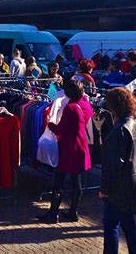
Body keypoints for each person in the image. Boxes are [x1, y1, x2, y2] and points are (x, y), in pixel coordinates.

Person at [100, 87, 136, 254]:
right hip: (134, 182)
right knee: (128, 222)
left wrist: (105, 189)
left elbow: (112, 165)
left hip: (119, 185)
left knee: (111, 225)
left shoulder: (119, 130)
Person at [38, 79, 93, 223]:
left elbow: (61, 129)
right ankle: (73, 211)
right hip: (81, 145)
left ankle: (53, 213)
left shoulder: (71, 107)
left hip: (69, 147)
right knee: (77, 181)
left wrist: (50, 123)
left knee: (59, 181)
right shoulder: (85, 104)